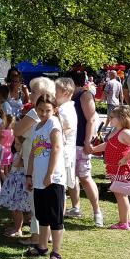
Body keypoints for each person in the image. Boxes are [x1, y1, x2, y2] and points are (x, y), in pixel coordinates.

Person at [12, 76, 56, 246]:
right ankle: (46, 235)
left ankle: (36, 236)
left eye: (34, 91)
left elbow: (17, 130)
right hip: (41, 160)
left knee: (36, 200)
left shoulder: (34, 112)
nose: (30, 94)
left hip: (35, 161)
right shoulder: (50, 114)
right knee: (44, 200)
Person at [24, 95, 66, 259]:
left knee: (55, 216)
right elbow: (33, 152)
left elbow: (56, 148)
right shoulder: (36, 127)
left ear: (54, 110)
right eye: (40, 110)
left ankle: (56, 252)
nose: (43, 113)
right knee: (42, 215)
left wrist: (49, 174)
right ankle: (41, 246)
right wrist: (29, 175)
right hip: (38, 178)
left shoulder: (53, 123)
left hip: (53, 178)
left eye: (47, 110)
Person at [91, 105, 130, 230]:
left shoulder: (125, 132)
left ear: (122, 118)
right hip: (116, 168)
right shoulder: (115, 131)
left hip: (123, 168)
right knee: (122, 195)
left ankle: (123, 223)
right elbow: (108, 145)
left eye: (113, 117)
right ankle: (128, 220)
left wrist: (125, 159)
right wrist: (93, 149)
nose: (110, 118)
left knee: (120, 195)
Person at [64, 70, 103, 227]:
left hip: (80, 143)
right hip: (70, 143)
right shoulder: (71, 96)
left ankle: (97, 212)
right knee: (71, 177)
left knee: (85, 178)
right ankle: (75, 207)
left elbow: (91, 119)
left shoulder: (85, 95)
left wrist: (87, 141)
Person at [55, 78, 78, 212]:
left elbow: (67, 127)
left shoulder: (64, 110)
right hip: (66, 151)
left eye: (55, 91)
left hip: (64, 152)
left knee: (60, 186)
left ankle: (58, 217)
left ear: (64, 92)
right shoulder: (67, 107)